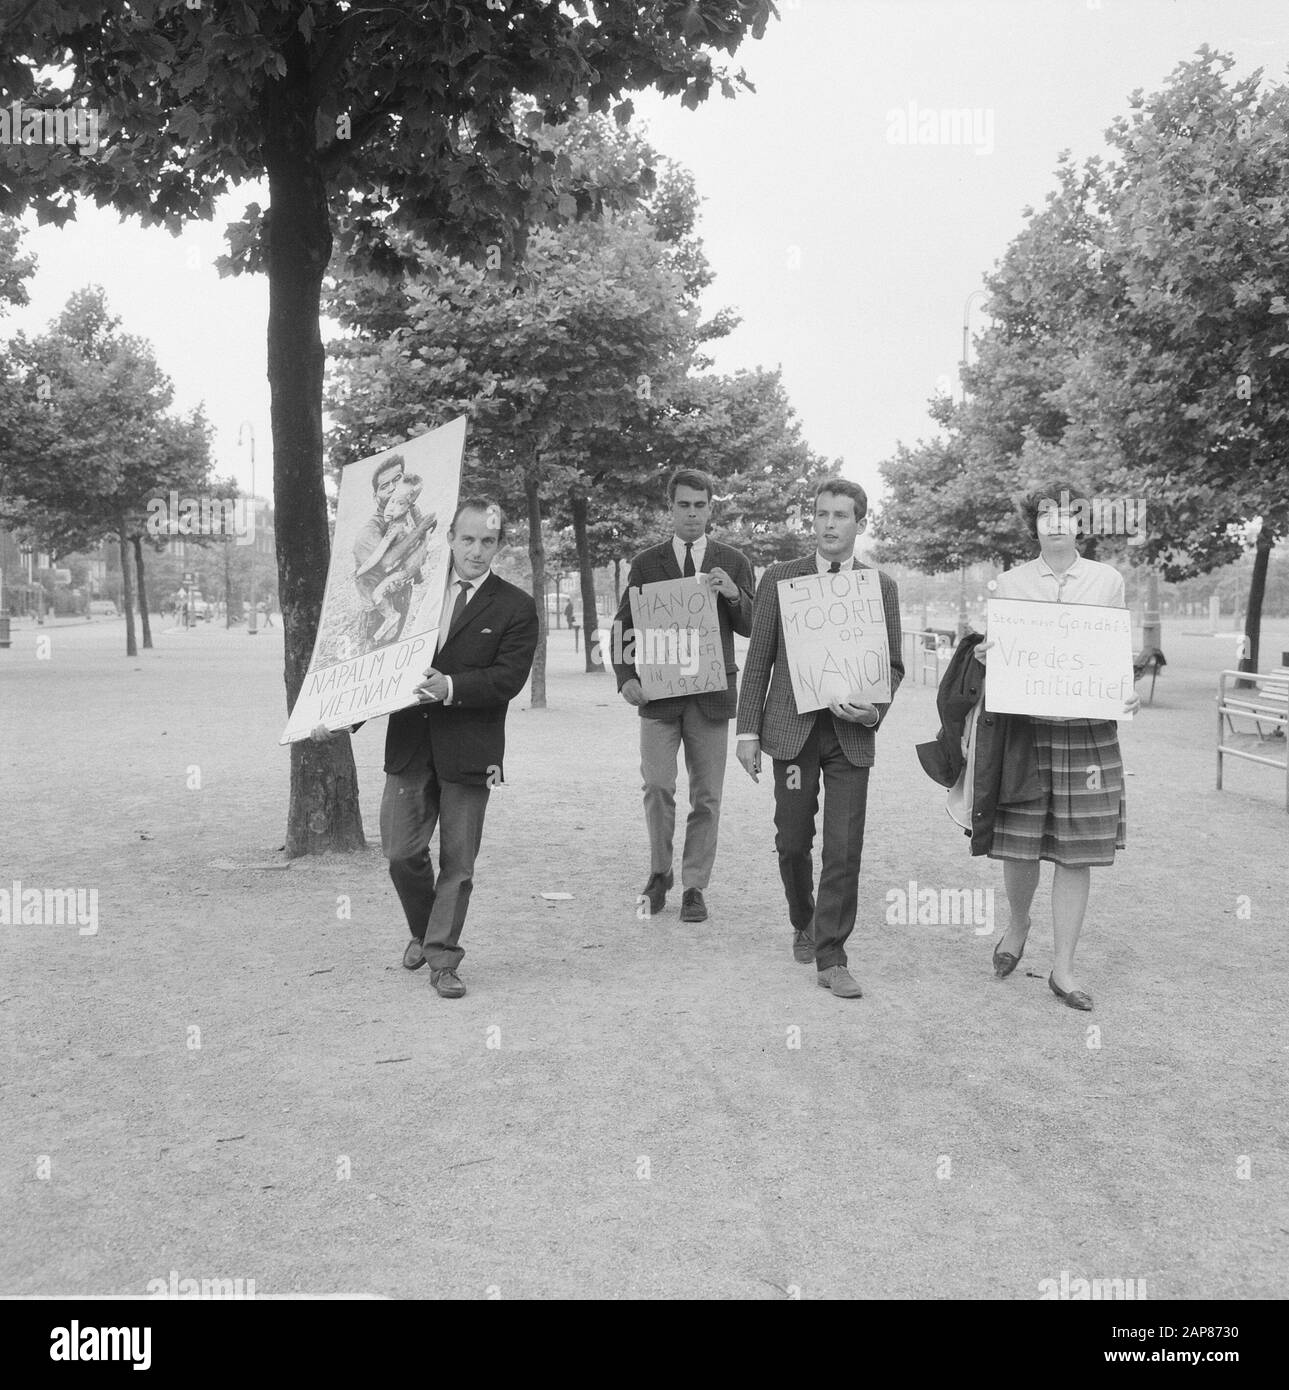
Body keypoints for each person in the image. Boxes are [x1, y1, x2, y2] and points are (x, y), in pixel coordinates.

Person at [314, 498, 538, 999]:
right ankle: (424, 929)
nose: (476, 551)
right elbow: (378, 665)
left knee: (458, 863)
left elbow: (508, 679)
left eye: (487, 541)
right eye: (467, 539)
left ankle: (442, 957)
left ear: (498, 545)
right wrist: (337, 714)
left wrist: (452, 686)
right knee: (399, 853)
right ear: (450, 539)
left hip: (472, 752)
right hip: (410, 746)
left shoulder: (517, 607)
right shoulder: (413, 594)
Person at [973, 484, 1141, 1011]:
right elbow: (995, 652)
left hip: (1088, 732)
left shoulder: (1107, 581)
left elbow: (1115, 651)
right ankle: (1018, 923)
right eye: (1047, 515)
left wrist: (1122, 685)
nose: (1058, 522)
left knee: (1077, 851)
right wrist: (985, 654)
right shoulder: (1010, 582)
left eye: (1069, 514)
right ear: (1035, 526)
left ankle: (1064, 968)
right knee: (1020, 843)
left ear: (1083, 523)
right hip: (1027, 730)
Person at [735, 479, 904, 999]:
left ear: (860, 523)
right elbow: (758, 657)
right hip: (792, 733)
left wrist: (874, 709)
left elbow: (892, 666)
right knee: (791, 842)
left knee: (844, 846)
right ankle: (804, 918)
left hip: (849, 735)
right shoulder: (781, 579)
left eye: (842, 515)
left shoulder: (881, 587)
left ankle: (832, 956)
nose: (830, 524)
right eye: (822, 514)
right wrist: (746, 730)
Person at [612, 468, 755, 923]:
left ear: (711, 508)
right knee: (657, 785)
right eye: (683, 505)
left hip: (711, 694)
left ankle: (694, 886)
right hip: (659, 694)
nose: (692, 514)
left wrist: (734, 596)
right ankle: (659, 873)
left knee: (707, 795)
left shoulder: (732, 560)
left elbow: (754, 626)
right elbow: (623, 626)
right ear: (670, 509)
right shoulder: (646, 562)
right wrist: (624, 676)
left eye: (700, 505)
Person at [352, 455, 434, 650]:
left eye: (397, 479)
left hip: (402, 592)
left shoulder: (409, 510)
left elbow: (423, 540)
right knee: (373, 656)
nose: (392, 488)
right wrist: (421, 530)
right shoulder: (369, 532)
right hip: (377, 609)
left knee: (395, 649)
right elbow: (386, 563)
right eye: (384, 486)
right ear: (375, 497)